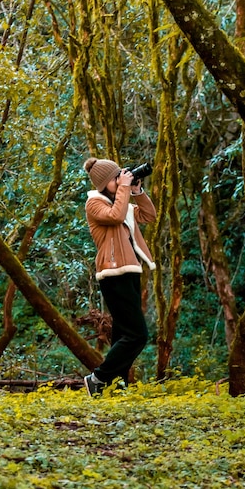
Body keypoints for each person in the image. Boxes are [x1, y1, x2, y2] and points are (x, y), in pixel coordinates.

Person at [82, 157, 156, 396]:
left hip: (131, 270)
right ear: (105, 183)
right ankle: (98, 377)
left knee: (124, 332)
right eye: (116, 178)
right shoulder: (94, 203)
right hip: (113, 273)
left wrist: (136, 191)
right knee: (138, 335)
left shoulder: (122, 203)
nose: (120, 180)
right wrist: (124, 188)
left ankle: (118, 384)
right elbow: (114, 216)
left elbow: (149, 215)